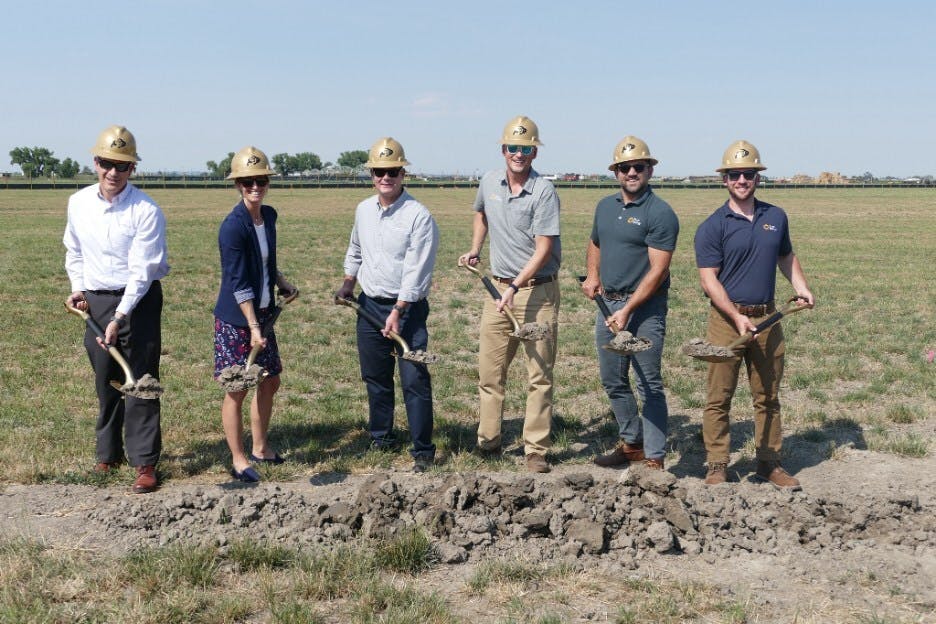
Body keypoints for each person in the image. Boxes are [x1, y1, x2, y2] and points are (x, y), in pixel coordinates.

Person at [693, 140, 815, 489]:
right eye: (735, 174)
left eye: (748, 173)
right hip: (726, 322)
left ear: (758, 177)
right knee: (719, 397)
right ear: (725, 179)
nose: (742, 179)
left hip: (768, 318)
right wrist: (736, 316)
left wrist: (802, 287)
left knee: (768, 395)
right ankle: (717, 464)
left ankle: (768, 463)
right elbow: (708, 280)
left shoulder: (775, 217)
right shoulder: (713, 226)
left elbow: (786, 257)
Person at [64, 125, 169, 494]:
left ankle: (144, 462)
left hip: (137, 302)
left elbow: (142, 272)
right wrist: (78, 290)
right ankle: (108, 454)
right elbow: (73, 251)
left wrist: (121, 316)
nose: (113, 172)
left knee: (139, 380)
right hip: (95, 300)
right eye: (107, 163)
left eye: (122, 166)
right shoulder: (78, 203)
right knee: (105, 378)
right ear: (95, 162)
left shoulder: (146, 210)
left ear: (132, 169)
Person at [458, 115, 561, 473]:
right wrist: (475, 248)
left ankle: (535, 450)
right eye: (513, 148)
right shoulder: (489, 182)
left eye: (526, 148)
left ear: (534, 153)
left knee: (539, 374)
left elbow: (544, 248)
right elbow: (480, 214)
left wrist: (516, 287)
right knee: (490, 372)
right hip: (497, 290)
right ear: (504, 150)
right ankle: (489, 443)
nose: (519, 154)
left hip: (537, 293)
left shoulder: (544, 191)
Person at [335, 137, 439, 473]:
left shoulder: (418, 216)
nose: (386, 177)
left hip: (406, 311)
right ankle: (381, 437)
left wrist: (398, 310)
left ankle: (423, 450)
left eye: (392, 171)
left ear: (402, 173)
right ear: (371, 174)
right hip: (368, 306)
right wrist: (349, 283)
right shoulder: (363, 210)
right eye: (380, 171)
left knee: (413, 379)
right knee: (376, 377)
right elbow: (355, 249)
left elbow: (417, 270)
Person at [582, 136, 679, 471]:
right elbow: (595, 242)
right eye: (625, 168)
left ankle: (654, 458)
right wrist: (592, 277)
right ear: (616, 172)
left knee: (648, 382)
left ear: (650, 170)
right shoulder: (605, 207)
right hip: (607, 306)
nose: (632, 172)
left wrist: (628, 310)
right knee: (613, 379)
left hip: (644, 309)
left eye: (639, 166)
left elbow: (658, 270)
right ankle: (632, 443)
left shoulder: (660, 213)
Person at [214, 146, 298, 483]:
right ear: (237, 184)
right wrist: (252, 326)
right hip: (238, 321)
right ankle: (238, 459)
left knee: (271, 380)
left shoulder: (270, 216)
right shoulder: (232, 227)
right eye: (247, 181)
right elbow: (238, 281)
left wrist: (282, 282)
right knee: (237, 388)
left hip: (263, 316)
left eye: (260, 180)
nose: (254, 186)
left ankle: (261, 447)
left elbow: (266, 261)